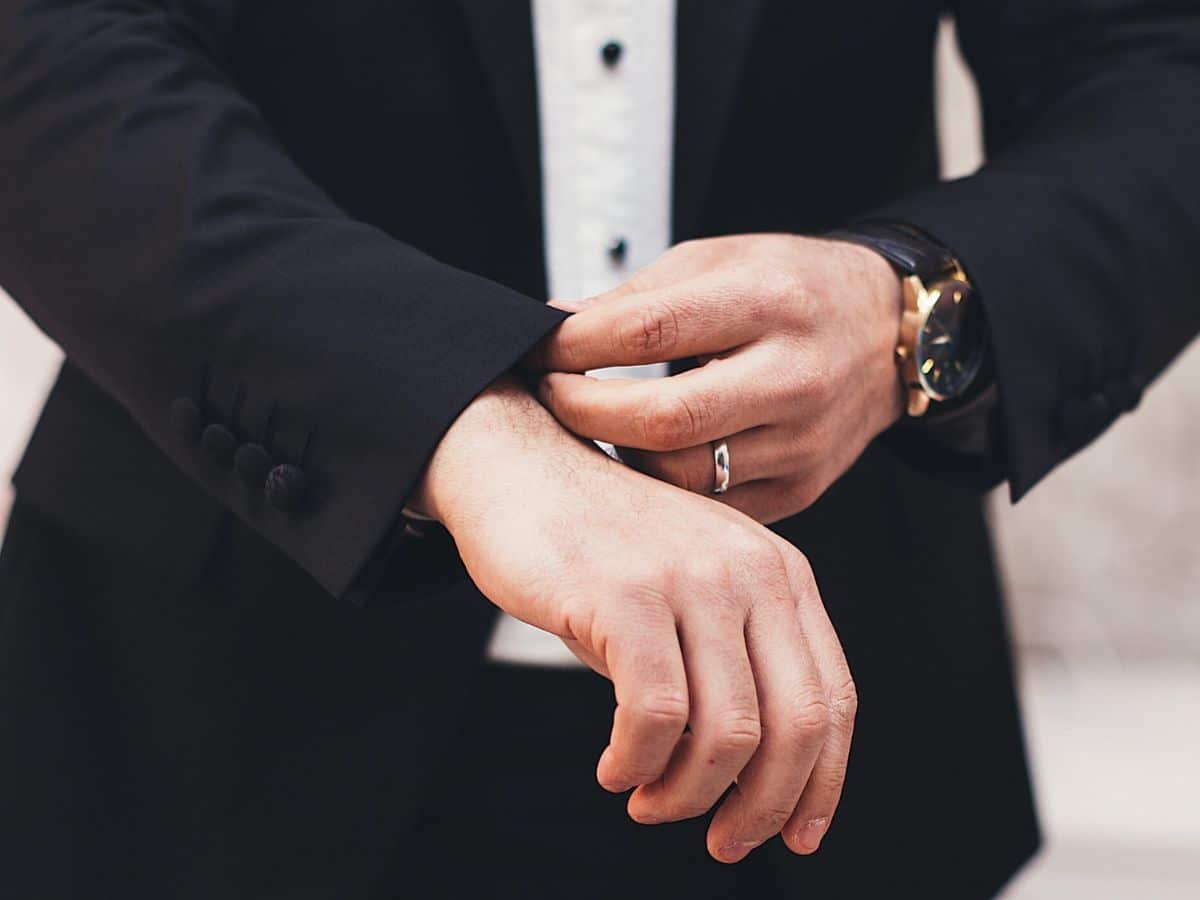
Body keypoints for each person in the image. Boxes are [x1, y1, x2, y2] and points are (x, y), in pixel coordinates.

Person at [0, 1, 1197, 897]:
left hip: (825, 715)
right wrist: (437, 414)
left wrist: (915, 309)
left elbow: (1156, 68)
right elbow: (53, 57)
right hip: (203, 699)